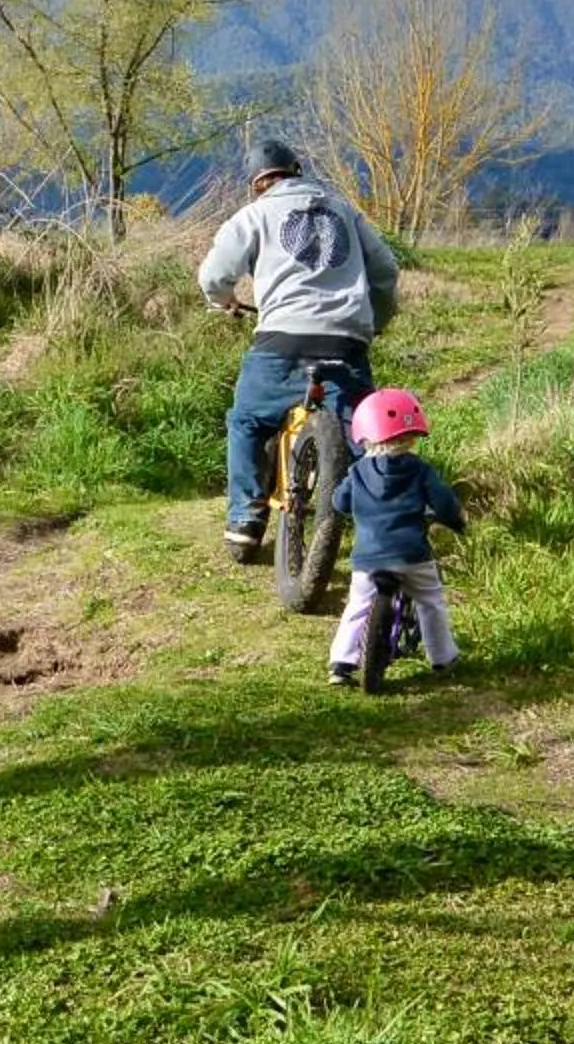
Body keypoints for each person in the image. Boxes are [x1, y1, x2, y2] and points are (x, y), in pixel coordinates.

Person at [198, 137, 402, 557]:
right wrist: (374, 324)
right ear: (298, 170)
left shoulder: (254, 215)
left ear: (257, 183)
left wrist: (224, 301)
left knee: (248, 421)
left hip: (282, 340)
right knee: (360, 433)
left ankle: (245, 517)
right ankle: (378, 523)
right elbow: (385, 271)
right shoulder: (346, 211)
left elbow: (214, 275)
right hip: (346, 340)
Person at [327, 386, 465, 686]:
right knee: (430, 601)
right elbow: (442, 503)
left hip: (367, 559)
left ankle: (341, 662)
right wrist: (455, 521)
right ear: (412, 436)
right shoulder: (420, 470)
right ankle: (443, 657)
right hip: (411, 555)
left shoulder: (358, 471)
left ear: (365, 435)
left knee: (357, 605)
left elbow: (338, 502)